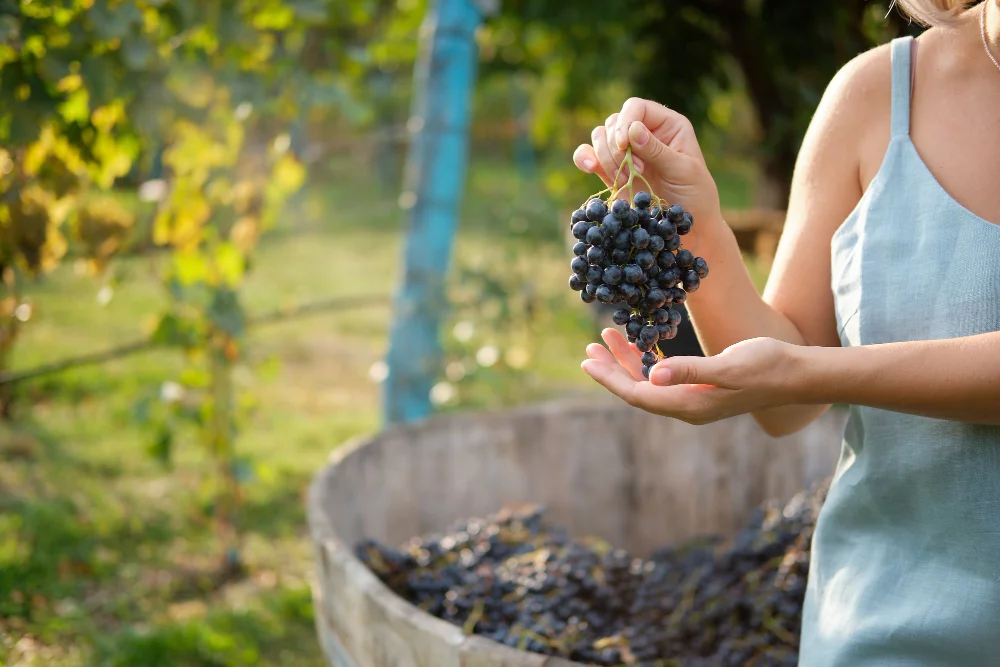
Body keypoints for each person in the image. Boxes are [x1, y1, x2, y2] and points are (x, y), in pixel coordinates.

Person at [571, 0, 1000, 664]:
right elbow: (789, 401)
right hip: (880, 635)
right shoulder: (875, 95)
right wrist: (697, 219)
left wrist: (804, 372)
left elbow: (802, 374)